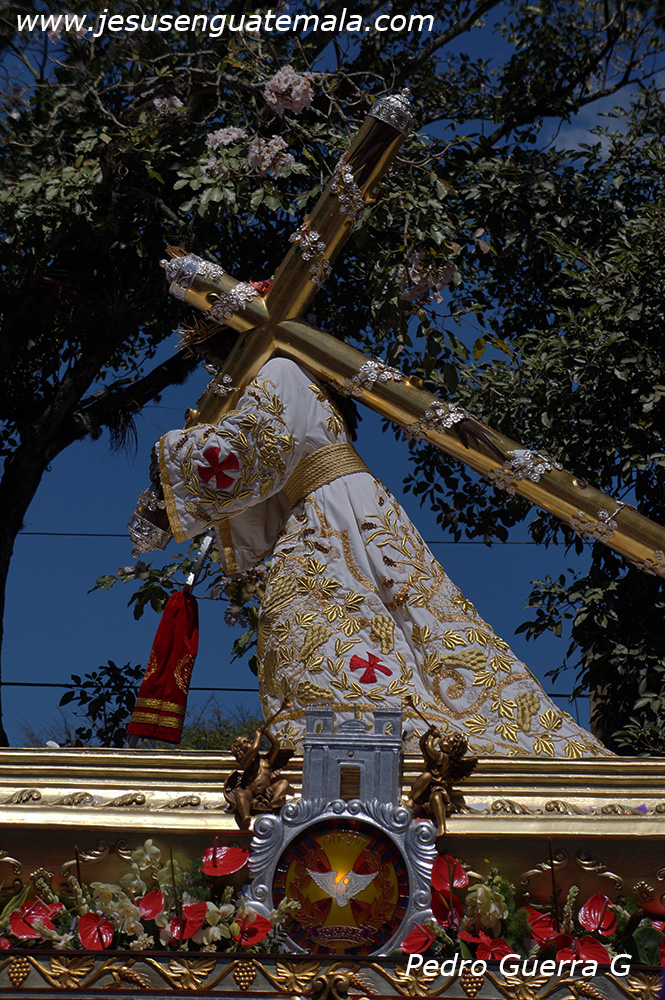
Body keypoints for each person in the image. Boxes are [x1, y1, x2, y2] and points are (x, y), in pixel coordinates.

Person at [139, 348, 611, 759]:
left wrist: (166, 473)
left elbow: (251, 448)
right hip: (342, 509)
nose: (217, 373)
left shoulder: (279, 370)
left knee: (310, 620)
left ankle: (374, 726)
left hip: (331, 513)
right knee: (391, 623)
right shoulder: (295, 379)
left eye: (215, 361)